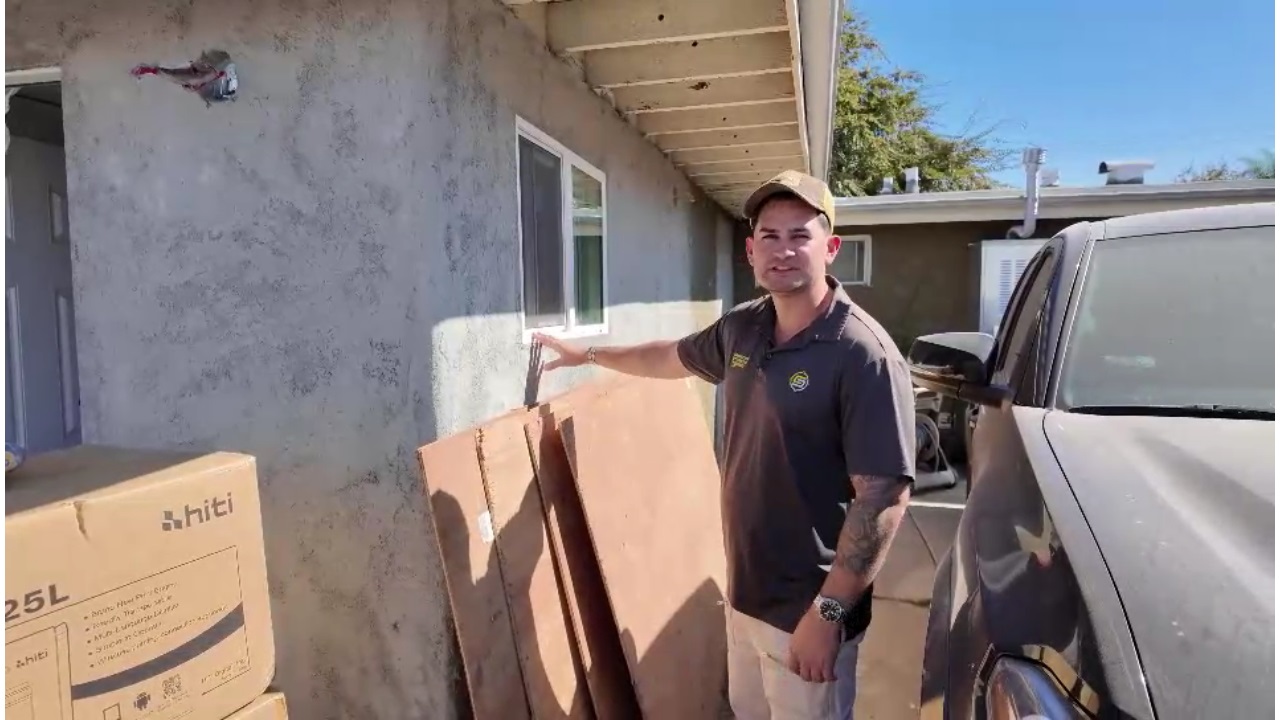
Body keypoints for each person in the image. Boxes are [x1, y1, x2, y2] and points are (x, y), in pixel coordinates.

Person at [533, 170, 917, 720]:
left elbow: (882, 497)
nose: (783, 250)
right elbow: (668, 357)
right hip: (745, 596)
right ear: (750, 250)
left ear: (830, 249)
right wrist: (588, 356)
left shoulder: (862, 355)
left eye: (799, 236)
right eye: (769, 236)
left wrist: (828, 614)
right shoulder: (745, 328)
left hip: (808, 614)